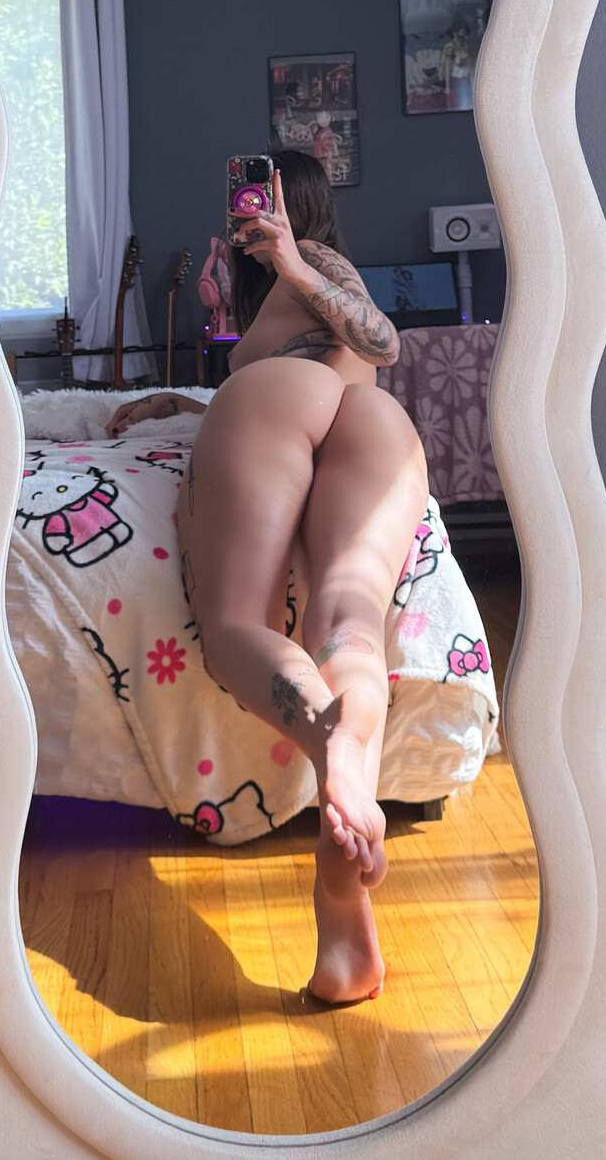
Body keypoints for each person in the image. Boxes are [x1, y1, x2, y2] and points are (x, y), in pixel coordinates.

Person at [106, 151, 427, 1003]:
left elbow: (382, 340)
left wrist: (290, 257)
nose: (242, 210)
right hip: (371, 424)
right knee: (350, 622)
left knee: (237, 627)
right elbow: (317, 373)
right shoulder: (287, 290)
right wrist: (182, 406)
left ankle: (330, 747)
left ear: (297, 206)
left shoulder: (313, 261)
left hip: (295, 404)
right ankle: (345, 865)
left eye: (258, 195)